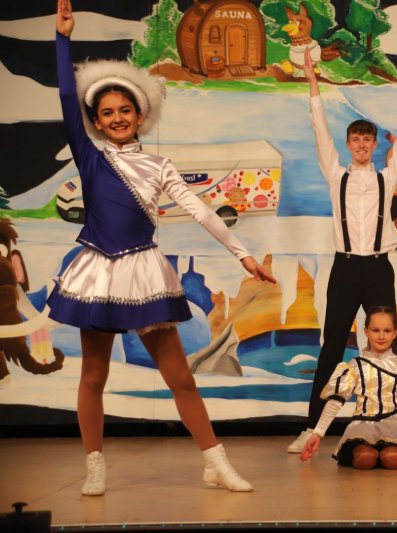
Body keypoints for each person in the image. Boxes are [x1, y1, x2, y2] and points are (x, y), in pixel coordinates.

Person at [51, 0, 276, 495]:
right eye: (107, 112)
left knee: (180, 378)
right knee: (93, 377)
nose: (116, 118)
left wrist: (242, 254)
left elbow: (200, 210)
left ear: (140, 115)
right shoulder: (91, 157)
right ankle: (94, 465)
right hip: (98, 273)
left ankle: (216, 462)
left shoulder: (159, 166)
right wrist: (63, 40)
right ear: (96, 121)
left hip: (144, 274)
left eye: (124, 110)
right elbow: (67, 98)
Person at [286, 48, 397, 452]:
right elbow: (319, 130)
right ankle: (312, 428)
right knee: (333, 345)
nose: (362, 144)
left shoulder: (388, 177)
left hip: (379, 269)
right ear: (348, 145)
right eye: (356, 140)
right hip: (345, 269)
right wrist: (312, 81)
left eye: (367, 139)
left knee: (389, 347)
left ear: (374, 145)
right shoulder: (336, 175)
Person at [300, 306, 397, 468]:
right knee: (365, 458)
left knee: (393, 459)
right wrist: (317, 434)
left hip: (393, 427)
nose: (381, 336)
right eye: (375, 330)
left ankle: (385, 454)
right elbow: (335, 402)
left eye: (387, 331)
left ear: (394, 333)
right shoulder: (355, 366)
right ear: (366, 332)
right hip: (362, 427)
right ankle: (369, 454)